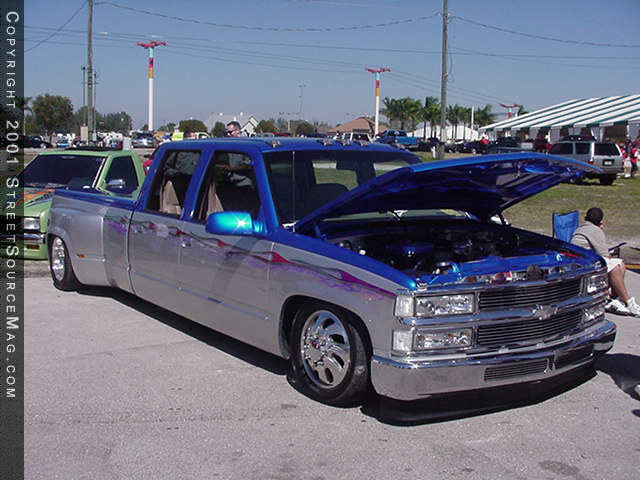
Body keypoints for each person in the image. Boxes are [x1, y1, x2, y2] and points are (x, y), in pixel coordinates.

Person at [571, 207, 640, 316]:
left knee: (620, 263)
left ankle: (612, 298)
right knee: (616, 267)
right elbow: (605, 256)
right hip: (586, 266)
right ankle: (628, 302)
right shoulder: (595, 230)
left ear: (585, 218)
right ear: (601, 221)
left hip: (580, 263)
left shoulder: (580, 229)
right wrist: (599, 230)